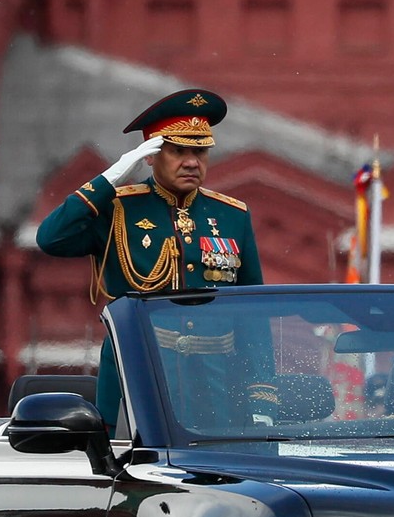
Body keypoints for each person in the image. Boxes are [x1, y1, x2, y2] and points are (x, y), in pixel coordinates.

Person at [35, 89, 265, 428]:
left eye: (200, 151)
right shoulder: (118, 208)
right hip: (137, 374)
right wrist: (109, 179)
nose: (192, 162)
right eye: (178, 151)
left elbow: (253, 314)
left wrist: (261, 397)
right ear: (150, 156)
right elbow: (51, 238)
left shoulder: (231, 215)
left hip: (218, 385)